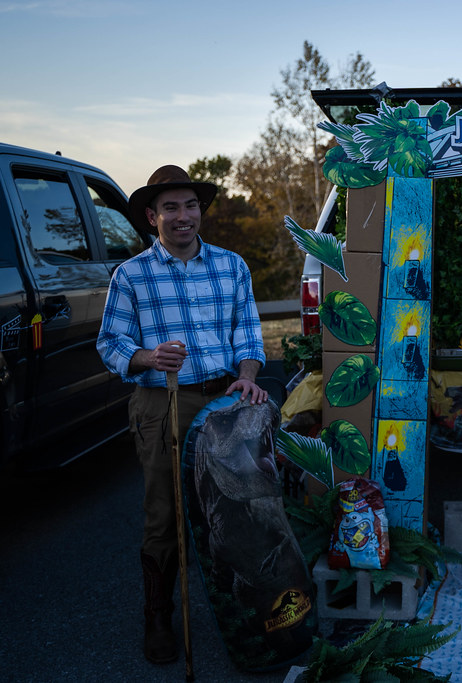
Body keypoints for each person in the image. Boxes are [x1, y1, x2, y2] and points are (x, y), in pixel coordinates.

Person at [97, 165, 268, 664]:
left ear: (200, 211)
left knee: (240, 507)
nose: (182, 216)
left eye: (190, 205)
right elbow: (110, 343)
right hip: (162, 400)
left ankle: (253, 612)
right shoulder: (130, 275)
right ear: (152, 218)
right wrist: (148, 357)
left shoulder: (232, 266)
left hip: (226, 397)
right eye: (170, 207)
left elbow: (249, 335)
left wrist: (249, 376)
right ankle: (158, 617)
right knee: (166, 513)